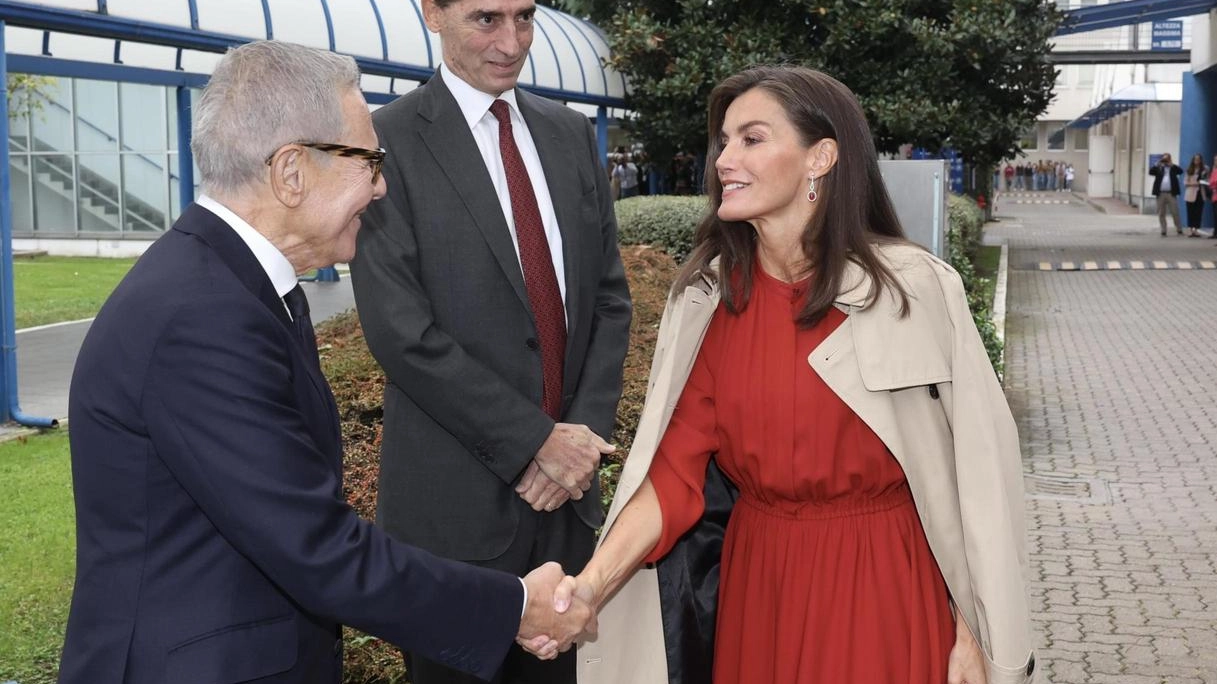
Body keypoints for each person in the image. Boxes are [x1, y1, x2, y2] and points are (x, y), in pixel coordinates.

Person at [58, 40, 592, 684]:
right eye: (370, 160)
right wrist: (515, 607)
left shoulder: (240, 286)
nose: (382, 185)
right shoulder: (200, 316)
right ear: (291, 172)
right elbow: (316, 548)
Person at [564, 65, 1036, 684]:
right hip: (760, 587)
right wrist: (588, 591)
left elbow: (982, 477)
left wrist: (978, 629)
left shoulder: (912, 289)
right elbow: (672, 475)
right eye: (723, 142)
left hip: (884, 589)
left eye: (751, 139)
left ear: (821, 157)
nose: (724, 160)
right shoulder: (710, 299)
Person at [348, 0, 633, 682]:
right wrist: (536, 441)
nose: (512, 42)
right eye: (485, 19)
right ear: (432, 14)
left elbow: (609, 300)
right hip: (451, 523)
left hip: (566, 510)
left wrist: (580, 441)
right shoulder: (383, 142)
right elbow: (401, 331)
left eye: (525, 17)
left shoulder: (567, 134)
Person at [1149, 152, 1184, 236]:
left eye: (1167, 159)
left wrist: (1172, 165)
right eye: (1164, 159)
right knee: (1161, 213)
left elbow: (1181, 171)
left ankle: (1179, 229)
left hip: (1171, 193)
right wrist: (1157, 164)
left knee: (1175, 212)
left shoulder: (1173, 168)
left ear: (1170, 159)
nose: (1165, 161)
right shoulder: (1159, 168)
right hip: (1160, 193)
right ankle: (1163, 230)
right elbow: (1151, 172)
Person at [1184, 153, 1208, 237]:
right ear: (1193, 160)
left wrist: (1200, 182)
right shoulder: (1189, 170)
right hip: (1190, 193)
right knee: (1190, 212)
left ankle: (1196, 229)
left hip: (1200, 193)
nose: (1197, 161)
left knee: (1198, 212)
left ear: (1201, 160)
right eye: (1195, 159)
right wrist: (1195, 183)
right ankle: (1191, 230)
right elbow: (1185, 182)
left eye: (1198, 159)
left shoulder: (1204, 169)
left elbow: (1206, 181)